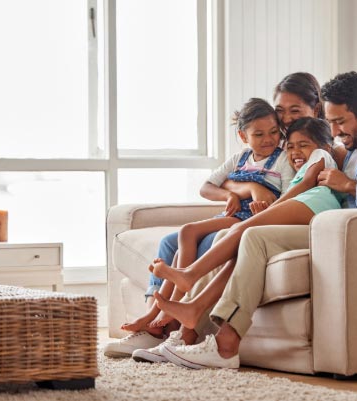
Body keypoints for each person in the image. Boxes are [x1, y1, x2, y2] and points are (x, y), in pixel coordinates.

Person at [156, 71, 357, 369]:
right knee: (246, 235)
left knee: (254, 235)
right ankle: (189, 333)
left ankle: (224, 345)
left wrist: (349, 185)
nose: (335, 130)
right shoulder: (353, 145)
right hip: (330, 228)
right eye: (331, 122)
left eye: (340, 122)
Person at [103, 72, 327, 358]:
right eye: (280, 111)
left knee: (208, 237)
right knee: (173, 241)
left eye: (294, 111)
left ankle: (164, 325)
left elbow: (291, 190)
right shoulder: (268, 145)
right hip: (243, 210)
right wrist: (247, 188)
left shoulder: (299, 148)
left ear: (315, 110)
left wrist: (256, 194)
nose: (283, 121)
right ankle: (154, 327)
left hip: (257, 219)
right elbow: (224, 182)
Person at [145, 117, 341, 369]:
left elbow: (303, 185)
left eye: (303, 144)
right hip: (307, 205)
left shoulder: (321, 157)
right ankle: (189, 322)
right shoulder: (305, 160)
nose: (294, 152)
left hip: (315, 203)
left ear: (324, 145)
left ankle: (190, 275)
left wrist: (269, 211)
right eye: (290, 146)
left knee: (243, 229)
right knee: (235, 236)